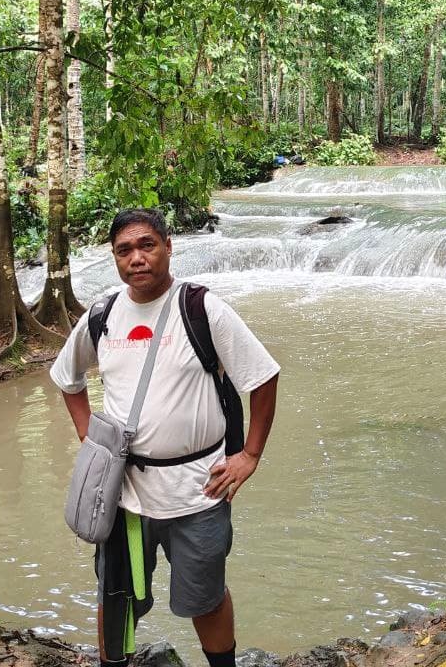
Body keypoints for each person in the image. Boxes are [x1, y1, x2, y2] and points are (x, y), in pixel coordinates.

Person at [51, 207, 280, 667]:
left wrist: (250, 454)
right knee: (115, 593)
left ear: (168, 247)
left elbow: (263, 377)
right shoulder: (102, 315)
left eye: (147, 245)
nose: (137, 257)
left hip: (198, 489)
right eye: (124, 250)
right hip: (122, 494)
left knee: (206, 596)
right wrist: (89, 439)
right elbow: (67, 378)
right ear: (115, 258)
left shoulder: (200, 308)